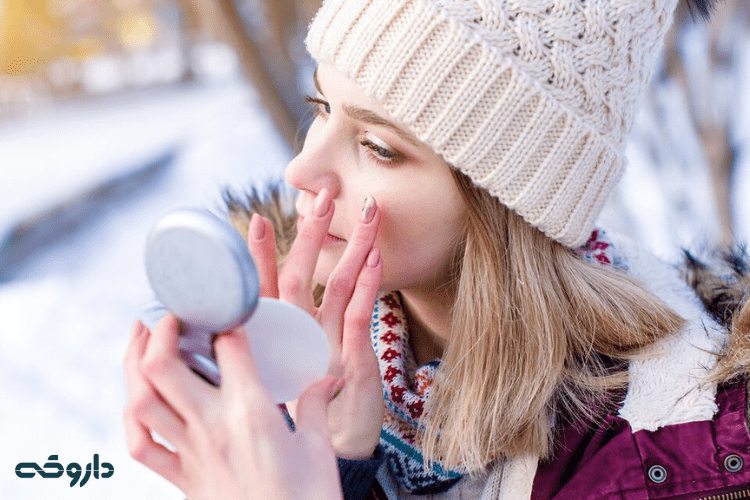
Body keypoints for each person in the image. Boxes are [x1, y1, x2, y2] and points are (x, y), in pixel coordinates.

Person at [123, 0, 750, 498]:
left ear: (508, 204)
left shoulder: (677, 450)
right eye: (320, 106)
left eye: (378, 147)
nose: (301, 169)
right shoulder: (287, 365)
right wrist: (335, 466)